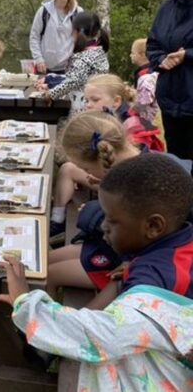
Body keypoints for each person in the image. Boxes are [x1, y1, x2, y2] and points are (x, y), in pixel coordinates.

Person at [0, 155, 193, 392]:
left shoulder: (155, 278)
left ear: (153, 226)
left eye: (112, 221)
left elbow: (102, 336)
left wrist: (26, 303)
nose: (103, 227)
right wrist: (132, 264)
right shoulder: (177, 244)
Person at [46, 112, 181, 308]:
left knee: (51, 273)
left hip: (128, 260)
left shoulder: (145, 184)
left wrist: (94, 214)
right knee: (46, 263)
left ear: (101, 158)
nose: (87, 174)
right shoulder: (142, 164)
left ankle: (43, 327)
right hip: (114, 248)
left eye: (85, 168)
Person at [147, 0, 193, 159]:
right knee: (178, 167)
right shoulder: (167, 7)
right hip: (171, 102)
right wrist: (162, 59)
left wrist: (187, 55)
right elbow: (153, 44)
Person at [39, 12, 110, 114]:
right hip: (98, 105)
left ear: (77, 32)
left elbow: (73, 81)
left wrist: (51, 94)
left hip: (83, 109)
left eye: (72, 31)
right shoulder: (99, 53)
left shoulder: (83, 57)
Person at [28, 0, 84, 75]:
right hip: (45, 68)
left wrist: (78, 60)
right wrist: (39, 59)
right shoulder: (44, 11)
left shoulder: (78, 12)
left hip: (69, 68)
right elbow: (34, 36)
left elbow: (83, 39)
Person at [129, 38, 160, 124]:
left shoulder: (146, 76)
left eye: (132, 53)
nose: (130, 55)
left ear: (142, 54)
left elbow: (144, 99)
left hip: (147, 116)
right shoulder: (150, 71)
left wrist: (133, 108)